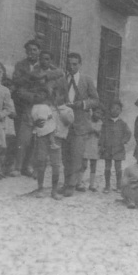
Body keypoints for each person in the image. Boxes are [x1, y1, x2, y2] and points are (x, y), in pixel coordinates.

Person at [62, 52, 100, 197]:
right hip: (65, 122)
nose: (71, 67)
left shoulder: (86, 80)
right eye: (69, 64)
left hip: (80, 122)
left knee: (77, 155)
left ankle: (71, 185)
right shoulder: (62, 80)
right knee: (66, 155)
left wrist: (83, 104)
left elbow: (96, 100)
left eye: (75, 64)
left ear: (80, 64)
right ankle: (66, 182)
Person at [11, 40, 41, 176]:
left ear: (39, 51)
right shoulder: (20, 65)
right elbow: (16, 81)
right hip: (23, 104)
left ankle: (29, 166)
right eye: (29, 50)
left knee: (37, 137)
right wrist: (30, 78)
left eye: (34, 50)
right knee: (23, 138)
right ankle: (18, 166)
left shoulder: (44, 66)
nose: (32, 52)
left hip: (40, 104)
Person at [31, 85, 64, 200]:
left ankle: (54, 191)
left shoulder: (64, 109)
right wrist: (35, 124)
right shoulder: (39, 107)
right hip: (42, 137)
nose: (55, 98)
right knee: (41, 163)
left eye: (58, 95)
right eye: (53, 95)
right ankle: (40, 188)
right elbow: (32, 120)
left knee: (56, 165)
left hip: (57, 137)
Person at [99, 99, 131, 193]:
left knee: (118, 168)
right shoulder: (106, 123)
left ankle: (118, 186)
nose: (115, 110)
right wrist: (101, 145)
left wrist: (123, 141)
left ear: (120, 111)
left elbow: (128, 133)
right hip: (107, 148)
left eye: (117, 109)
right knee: (107, 167)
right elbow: (102, 134)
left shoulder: (122, 123)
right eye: (112, 108)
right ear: (109, 110)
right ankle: (107, 186)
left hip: (119, 148)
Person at [75, 104, 103, 192]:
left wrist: (97, 133)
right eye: (97, 112)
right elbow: (85, 130)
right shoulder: (88, 121)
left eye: (100, 114)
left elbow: (100, 134)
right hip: (86, 144)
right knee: (83, 165)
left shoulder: (100, 123)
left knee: (93, 165)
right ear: (92, 112)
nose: (98, 115)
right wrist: (91, 131)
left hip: (94, 145)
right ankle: (78, 183)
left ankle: (92, 184)